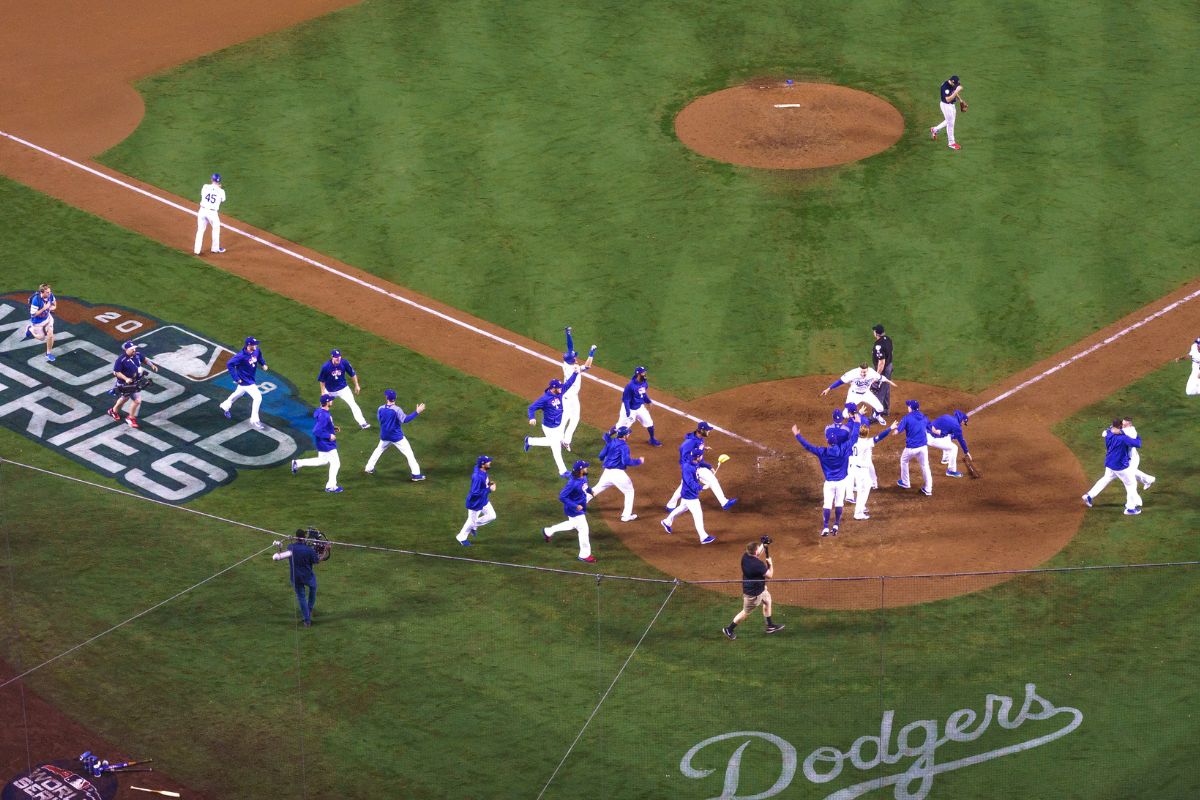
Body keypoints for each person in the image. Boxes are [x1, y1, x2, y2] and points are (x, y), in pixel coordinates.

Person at [792, 415, 860, 536]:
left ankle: (825, 527)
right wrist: (857, 423)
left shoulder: (822, 452)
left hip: (829, 483)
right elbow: (854, 438)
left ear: (828, 441)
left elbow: (808, 446)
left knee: (827, 504)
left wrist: (797, 435)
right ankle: (836, 525)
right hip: (841, 482)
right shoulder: (843, 449)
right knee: (839, 503)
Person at [665, 421, 737, 510]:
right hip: (691, 468)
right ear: (701, 430)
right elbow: (683, 452)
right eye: (707, 430)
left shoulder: (700, 439)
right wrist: (690, 467)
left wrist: (704, 452)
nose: (709, 431)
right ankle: (670, 505)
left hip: (698, 466)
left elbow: (697, 451)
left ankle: (724, 502)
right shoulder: (689, 443)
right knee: (685, 486)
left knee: (711, 480)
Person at [722, 541, 784, 639]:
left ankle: (770, 626)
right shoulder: (757, 564)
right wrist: (770, 564)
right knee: (745, 612)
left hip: (760, 588)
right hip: (753, 594)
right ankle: (729, 629)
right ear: (755, 551)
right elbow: (770, 575)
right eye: (758, 549)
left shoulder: (745, 557)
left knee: (767, 601)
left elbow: (757, 553)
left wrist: (764, 544)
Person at [525, 368, 580, 477]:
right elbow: (531, 408)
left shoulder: (560, 391)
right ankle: (563, 471)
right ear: (553, 388)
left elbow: (569, 383)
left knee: (553, 442)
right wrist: (532, 418)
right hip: (549, 427)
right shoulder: (544, 399)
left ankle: (530, 441)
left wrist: (575, 373)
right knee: (556, 447)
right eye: (558, 387)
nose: (561, 388)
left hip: (558, 425)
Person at [1082, 419, 1142, 515]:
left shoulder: (1108, 433)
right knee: (1131, 484)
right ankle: (1130, 509)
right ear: (1120, 427)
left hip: (1109, 462)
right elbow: (1138, 444)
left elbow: (1107, 431)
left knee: (1106, 478)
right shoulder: (1123, 438)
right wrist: (1136, 435)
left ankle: (1089, 495)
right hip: (1120, 466)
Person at [542, 460, 598, 562]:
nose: (587, 468)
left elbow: (585, 486)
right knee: (584, 530)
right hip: (574, 510)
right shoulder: (572, 483)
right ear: (580, 470)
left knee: (572, 524)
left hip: (580, 506)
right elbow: (562, 496)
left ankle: (548, 531)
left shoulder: (583, 476)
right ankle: (584, 555)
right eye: (585, 467)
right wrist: (575, 506)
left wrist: (590, 491)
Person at [660, 448, 718, 545]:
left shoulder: (693, 461)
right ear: (697, 457)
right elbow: (690, 482)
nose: (702, 456)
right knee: (698, 515)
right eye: (701, 455)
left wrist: (709, 467)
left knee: (682, 508)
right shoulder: (688, 468)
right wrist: (701, 487)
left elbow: (701, 463)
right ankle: (703, 537)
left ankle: (666, 521)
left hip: (687, 493)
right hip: (690, 495)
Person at [364, 389, 426, 480]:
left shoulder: (380, 408)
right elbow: (405, 420)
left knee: (378, 450)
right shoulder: (397, 410)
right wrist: (417, 412)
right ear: (395, 398)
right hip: (397, 437)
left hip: (384, 436)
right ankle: (416, 475)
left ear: (386, 398)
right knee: (409, 454)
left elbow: (379, 419)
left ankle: (369, 468)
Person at [290, 394, 343, 493]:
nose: (332, 401)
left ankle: (298, 463)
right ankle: (331, 486)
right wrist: (329, 435)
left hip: (322, 442)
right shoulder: (324, 415)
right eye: (330, 400)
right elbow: (316, 431)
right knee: (336, 463)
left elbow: (323, 426)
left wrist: (332, 428)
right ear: (327, 402)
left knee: (322, 461)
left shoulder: (321, 411)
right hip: (326, 443)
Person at [590, 426, 644, 522]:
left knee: (597, 488)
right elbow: (626, 461)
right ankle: (626, 516)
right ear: (624, 435)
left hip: (607, 472)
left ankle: (580, 503)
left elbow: (601, 455)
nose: (629, 435)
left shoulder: (611, 441)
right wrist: (638, 461)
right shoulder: (624, 446)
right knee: (629, 492)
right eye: (628, 434)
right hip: (618, 474)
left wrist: (607, 457)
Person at [820, 362, 897, 425]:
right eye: (861, 372)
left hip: (866, 393)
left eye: (865, 372)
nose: (863, 374)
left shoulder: (872, 373)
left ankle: (876, 416)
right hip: (854, 395)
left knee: (880, 408)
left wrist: (890, 382)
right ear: (858, 369)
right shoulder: (852, 373)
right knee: (845, 414)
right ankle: (837, 424)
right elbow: (840, 381)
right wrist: (829, 388)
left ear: (868, 370)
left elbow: (882, 378)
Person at [219, 336, 270, 430]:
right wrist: (236, 378)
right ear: (249, 345)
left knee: (239, 393)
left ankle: (225, 405)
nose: (256, 346)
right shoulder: (241, 356)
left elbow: (259, 356)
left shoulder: (256, 350)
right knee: (258, 398)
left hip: (250, 379)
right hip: (246, 380)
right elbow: (229, 364)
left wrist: (263, 364)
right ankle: (254, 420)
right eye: (254, 344)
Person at [105, 340, 159, 429]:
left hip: (135, 381)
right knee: (136, 400)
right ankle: (130, 418)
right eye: (132, 349)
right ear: (126, 350)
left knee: (125, 398)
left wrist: (152, 365)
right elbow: (117, 372)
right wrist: (126, 379)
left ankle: (113, 411)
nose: (134, 350)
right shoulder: (121, 360)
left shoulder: (137, 355)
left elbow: (144, 359)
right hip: (124, 383)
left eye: (134, 348)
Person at [559, 327, 597, 451]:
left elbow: (570, 347)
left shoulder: (567, 362)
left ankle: (566, 441)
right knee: (564, 419)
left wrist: (568, 334)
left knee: (575, 418)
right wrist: (591, 353)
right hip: (567, 398)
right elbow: (587, 366)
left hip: (572, 397)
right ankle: (558, 439)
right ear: (571, 360)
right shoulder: (573, 369)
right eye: (574, 357)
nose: (576, 358)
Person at [272, 530, 320, 627]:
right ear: (304, 537)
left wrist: (282, 545)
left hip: (296, 577)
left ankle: (307, 621)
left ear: (296, 537)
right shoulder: (309, 550)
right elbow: (317, 560)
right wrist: (326, 549)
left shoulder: (291, 547)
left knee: (301, 598)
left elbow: (281, 555)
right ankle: (309, 609)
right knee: (313, 588)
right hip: (308, 576)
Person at [849, 424, 893, 520]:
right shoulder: (867, 443)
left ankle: (861, 508)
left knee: (866, 486)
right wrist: (890, 428)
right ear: (867, 433)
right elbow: (880, 437)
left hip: (856, 468)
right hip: (862, 470)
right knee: (863, 490)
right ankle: (858, 512)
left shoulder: (854, 440)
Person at [318, 348, 369, 430]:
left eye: (339, 356)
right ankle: (321, 422)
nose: (338, 358)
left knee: (353, 404)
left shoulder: (344, 363)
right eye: (336, 357)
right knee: (324, 406)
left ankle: (363, 423)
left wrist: (356, 385)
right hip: (330, 390)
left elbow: (352, 374)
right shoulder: (326, 367)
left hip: (343, 389)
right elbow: (322, 380)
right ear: (332, 357)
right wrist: (323, 392)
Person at [892, 400, 933, 496]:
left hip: (911, 447)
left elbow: (898, 430)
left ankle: (905, 482)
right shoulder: (924, 416)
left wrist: (894, 431)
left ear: (911, 408)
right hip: (923, 447)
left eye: (908, 406)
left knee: (904, 460)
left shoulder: (907, 417)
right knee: (925, 466)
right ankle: (928, 489)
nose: (907, 407)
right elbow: (931, 428)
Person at [456, 455, 497, 545]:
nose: (490, 462)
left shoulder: (482, 470)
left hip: (483, 500)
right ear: (482, 465)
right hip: (475, 503)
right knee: (470, 521)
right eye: (488, 462)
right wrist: (489, 489)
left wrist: (489, 484)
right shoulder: (477, 477)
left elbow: (483, 484)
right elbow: (475, 493)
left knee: (492, 516)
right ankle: (461, 537)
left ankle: (473, 525)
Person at [617, 366, 663, 446]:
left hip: (640, 407)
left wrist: (648, 401)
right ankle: (612, 438)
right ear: (638, 374)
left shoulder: (644, 383)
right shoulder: (630, 386)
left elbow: (643, 394)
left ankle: (652, 439)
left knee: (649, 423)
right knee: (622, 428)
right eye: (643, 373)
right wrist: (628, 411)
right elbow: (626, 400)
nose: (645, 374)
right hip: (630, 409)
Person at [927, 409, 971, 477]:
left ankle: (945, 458)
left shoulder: (947, 416)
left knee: (948, 436)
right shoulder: (956, 426)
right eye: (964, 423)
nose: (963, 424)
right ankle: (951, 471)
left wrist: (953, 436)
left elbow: (948, 433)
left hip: (926, 434)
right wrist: (966, 452)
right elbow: (961, 440)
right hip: (932, 439)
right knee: (954, 448)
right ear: (962, 420)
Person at [193, 173, 227, 255]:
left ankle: (197, 250)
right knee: (216, 229)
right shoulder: (221, 191)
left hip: (202, 211)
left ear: (211, 179)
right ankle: (215, 249)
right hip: (212, 213)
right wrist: (219, 189)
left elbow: (203, 194)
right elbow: (223, 200)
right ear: (219, 181)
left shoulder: (205, 186)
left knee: (200, 230)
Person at [930, 75, 966, 151]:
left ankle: (935, 129)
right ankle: (951, 143)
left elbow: (954, 91)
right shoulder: (945, 87)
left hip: (952, 105)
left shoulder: (952, 84)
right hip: (946, 105)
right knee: (951, 123)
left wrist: (960, 100)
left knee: (950, 121)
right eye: (955, 84)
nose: (956, 86)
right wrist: (956, 91)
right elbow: (948, 99)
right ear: (952, 81)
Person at [24, 284, 57, 362]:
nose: (49, 293)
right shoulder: (36, 300)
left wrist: (51, 308)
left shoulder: (50, 295)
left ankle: (48, 354)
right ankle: (30, 329)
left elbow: (54, 304)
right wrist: (44, 308)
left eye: (49, 291)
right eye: (47, 292)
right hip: (37, 322)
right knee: (41, 338)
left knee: (50, 335)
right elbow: (33, 314)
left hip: (47, 318)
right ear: (42, 292)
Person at [1121, 417, 1155, 494]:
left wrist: (1117, 431)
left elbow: (1126, 435)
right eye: (1122, 424)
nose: (1122, 426)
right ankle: (1148, 480)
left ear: (1130, 425)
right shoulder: (1124, 429)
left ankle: (1133, 496)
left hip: (1133, 458)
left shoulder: (1132, 432)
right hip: (1127, 458)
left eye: (1125, 425)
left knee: (1129, 474)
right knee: (1129, 472)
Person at [870, 325, 895, 417]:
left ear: (876, 333)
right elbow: (891, 352)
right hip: (889, 366)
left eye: (874, 331)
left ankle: (875, 415)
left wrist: (877, 376)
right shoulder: (888, 339)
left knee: (878, 391)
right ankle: (885, 410)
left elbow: (881, 362)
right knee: (885, 388)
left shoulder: (878, 345)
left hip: (882, 369)